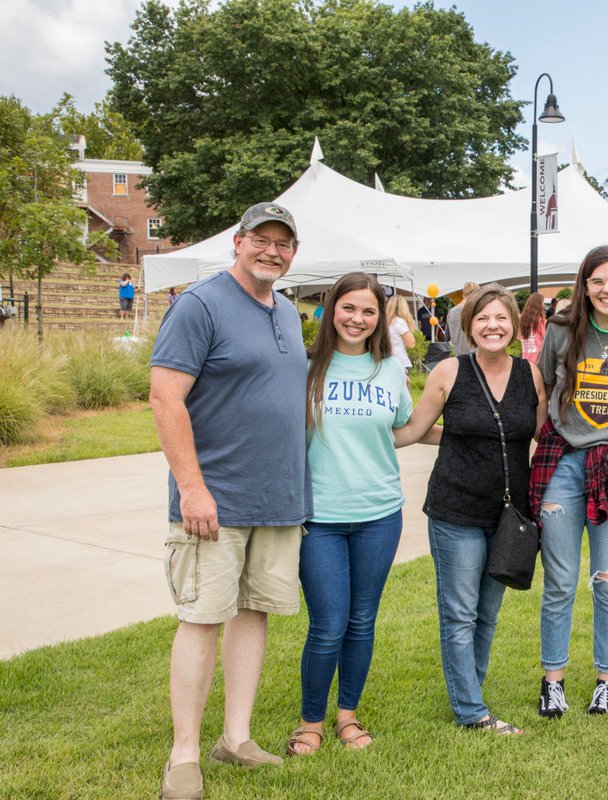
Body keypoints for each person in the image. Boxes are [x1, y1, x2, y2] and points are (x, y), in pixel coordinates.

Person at [150, 203, 310, 800]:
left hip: (277, 499)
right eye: (261, 239)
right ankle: (184, 754)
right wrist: (192, 488)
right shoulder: (200, 304)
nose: (272, 251)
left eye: (283, 243)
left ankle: (235, 738)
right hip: (215, 498)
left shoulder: (287, 311)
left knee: (254, 613)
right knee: (201, 618)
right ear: (237, 243)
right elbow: (165, 398)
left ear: (294, 252)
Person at [394, 284, 547, 734]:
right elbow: (414, 430)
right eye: (483, 318)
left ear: (514, 324)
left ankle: (470, 693)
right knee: (460, 613)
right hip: (455, 510)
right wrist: (355, 432)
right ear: (469, 325)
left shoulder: (530, 375)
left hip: (508, 517)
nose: (492, 326)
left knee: (487, 613)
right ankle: (471, 711)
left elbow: (542, 437)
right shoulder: (449, 371)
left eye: (501, 318)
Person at [285, 273, 413, 757]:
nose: (357, 319)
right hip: (320, 517)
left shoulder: (390, 370)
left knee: (361, 619)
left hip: (380, 514)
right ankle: (310, 722)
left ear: (380, 318)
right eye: (349, 308)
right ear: (330, 310)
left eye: (368, 311)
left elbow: (403, 429)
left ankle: (347, 716)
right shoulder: (304, 368)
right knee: (328, 623)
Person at [532, 244, 608, 718]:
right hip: (564, 464)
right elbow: (544, 387)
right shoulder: (562, 329)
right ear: (584, 286)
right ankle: (553, 682)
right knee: (560, 581)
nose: (607, 289)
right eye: (597, 280)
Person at [385, 293, 418, 373]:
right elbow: (411, 344)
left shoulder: (385, 322)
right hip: (400, 362)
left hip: (386, 360)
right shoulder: (399, 322)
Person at [447, 282, 480, 356]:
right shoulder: (474, 311)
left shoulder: (451, 312)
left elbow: (447, 337)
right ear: (475, 296)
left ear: (463, 294)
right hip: (475, 355)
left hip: (458, 355)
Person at [519, 291, 548, 364]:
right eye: (543, 303)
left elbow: (518, 337)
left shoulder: (521, 320)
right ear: (539, 305)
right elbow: (547, 339)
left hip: (525, 359)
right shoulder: (541, 321)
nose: (544, 305)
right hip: (538, 360)